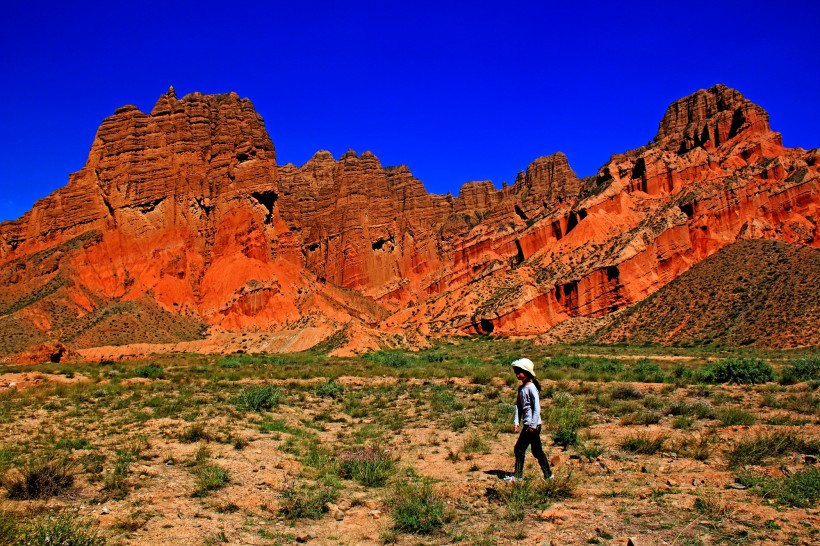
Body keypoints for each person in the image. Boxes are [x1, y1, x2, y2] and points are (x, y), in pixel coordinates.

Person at [505, 357, 553, 482]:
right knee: (537, 451)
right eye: (516, 372)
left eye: (520, 372)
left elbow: (537, 407)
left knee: (519, 449)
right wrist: (516, 422)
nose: (517, 375)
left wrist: (532, 425)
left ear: (527, 373)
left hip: (532, 426)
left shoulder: (531, 388)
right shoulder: (521, 389)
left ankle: (518, 476)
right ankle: (548, 475)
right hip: (529, 425)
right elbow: (518, 407)